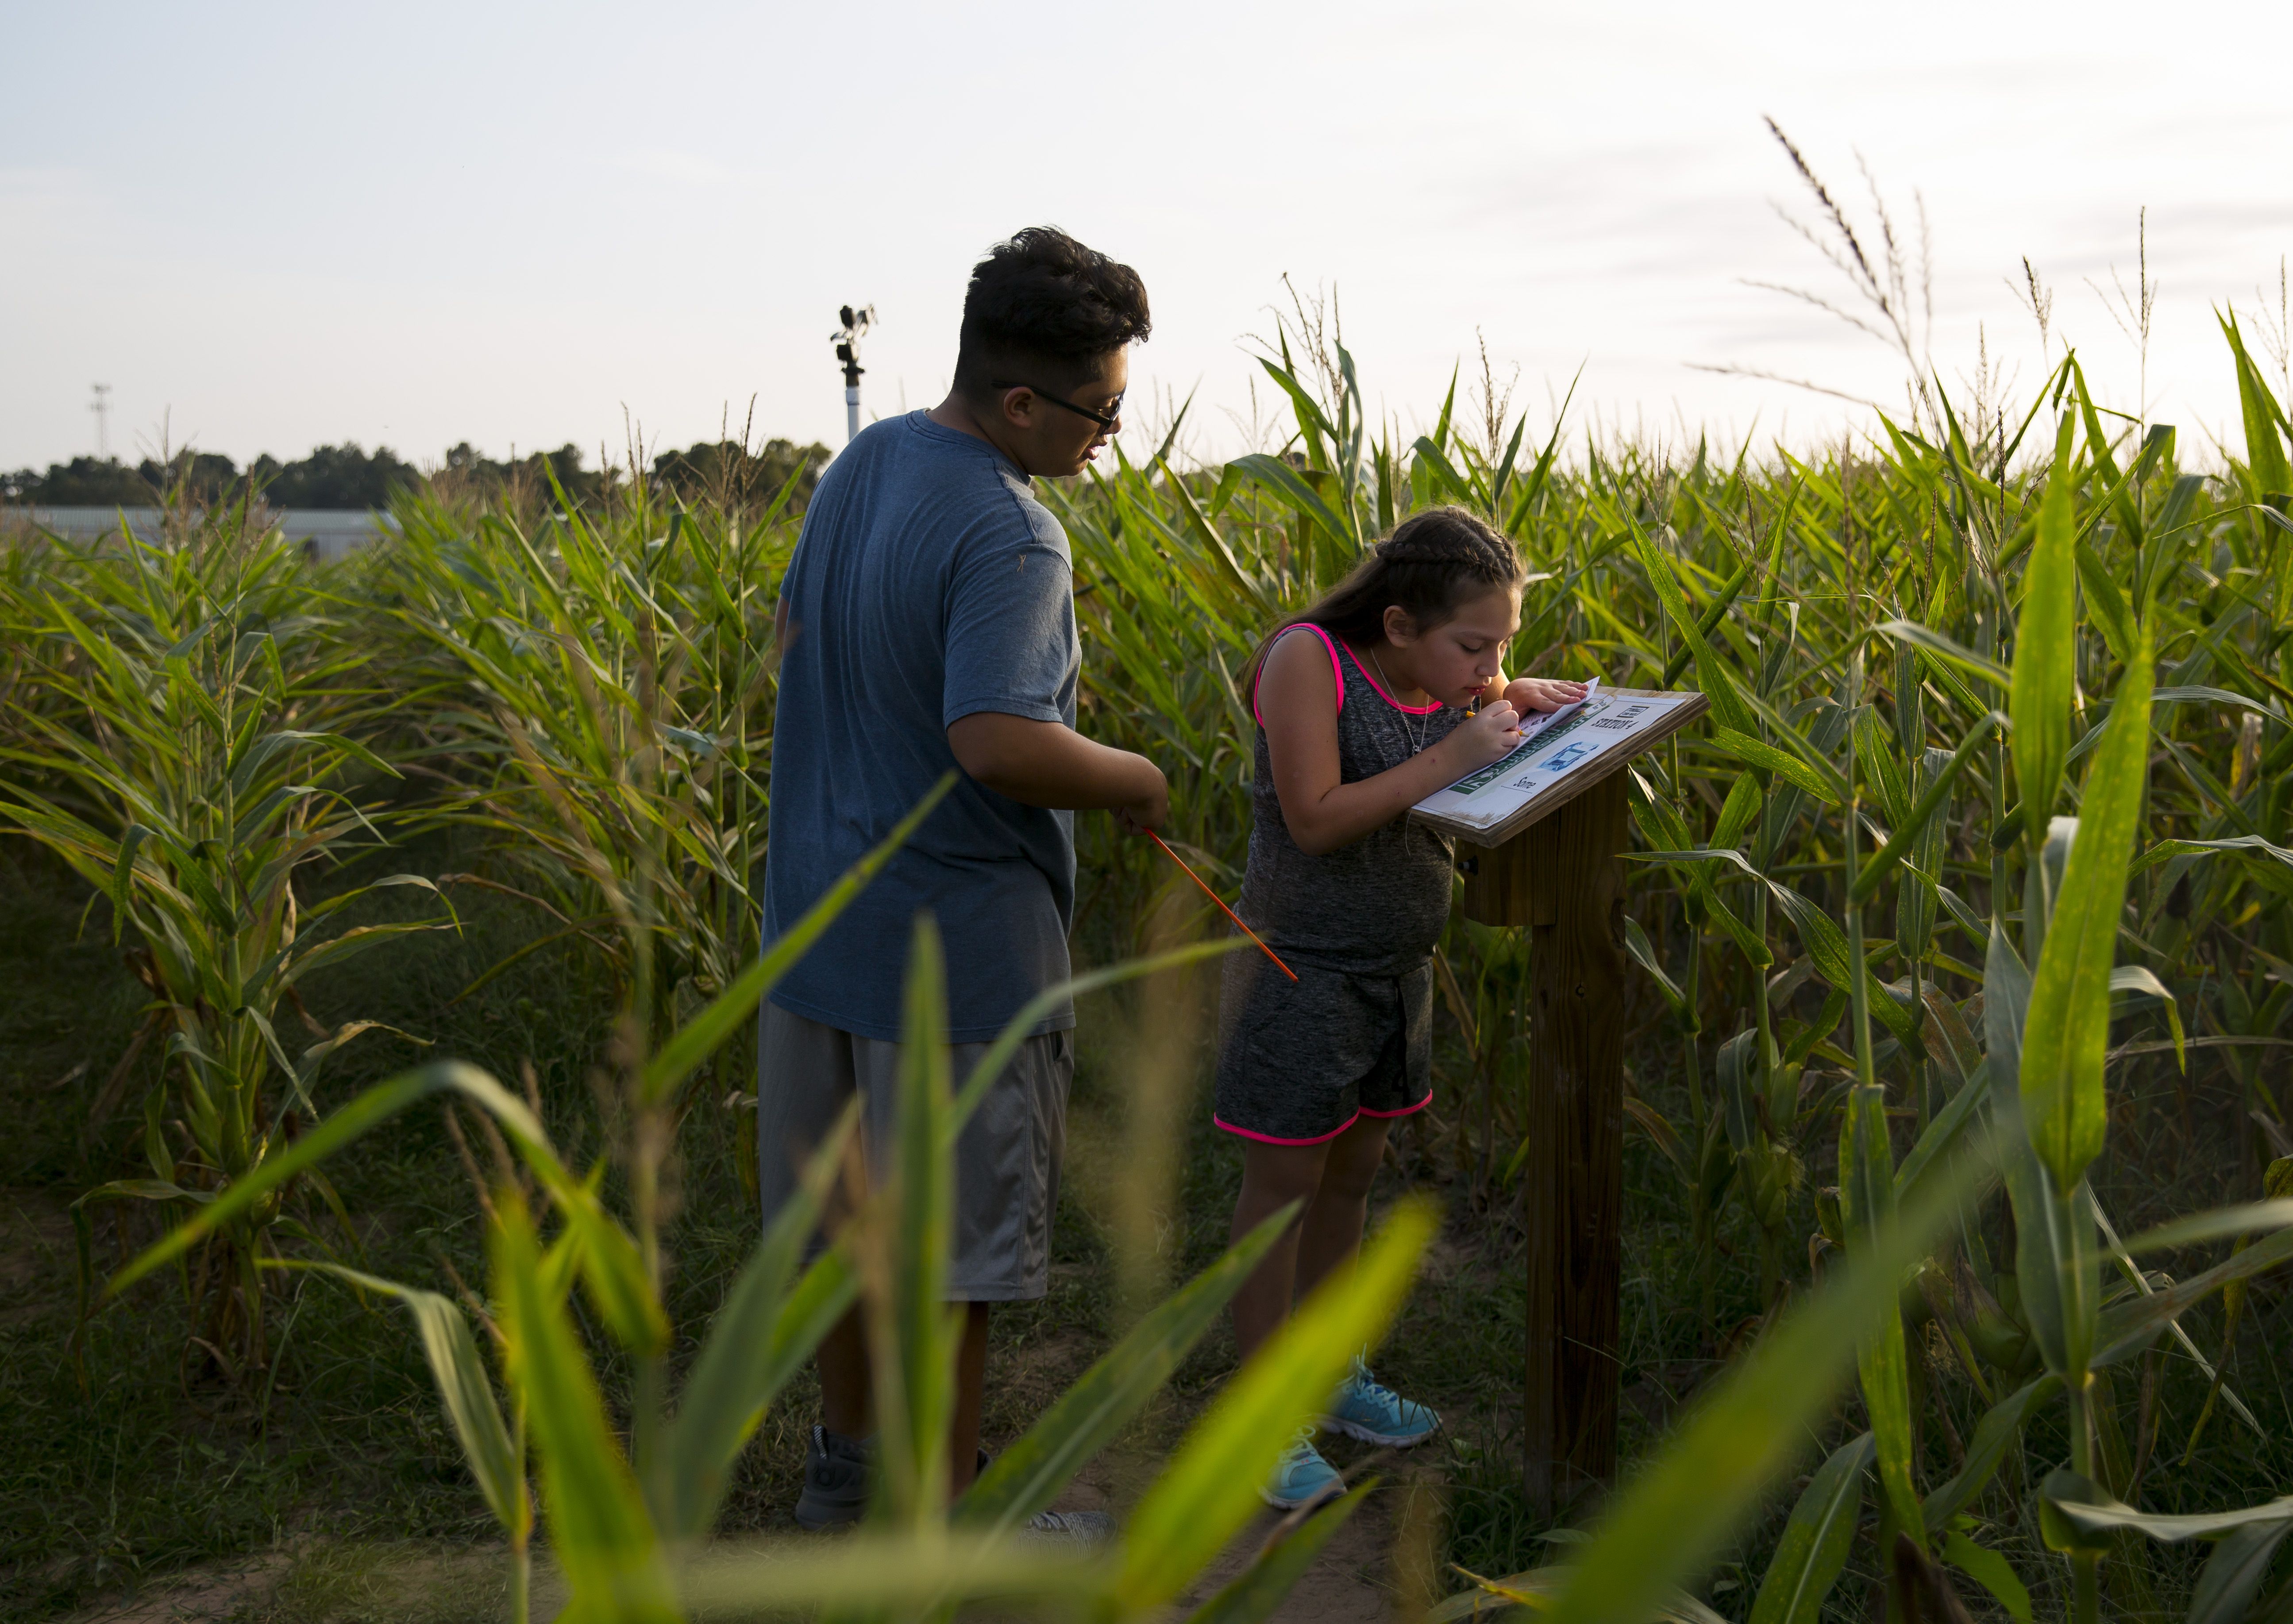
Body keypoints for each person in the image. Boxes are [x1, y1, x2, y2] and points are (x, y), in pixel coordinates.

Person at [757, 227, 1168, 1542]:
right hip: (957, 964)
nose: (1108, 433)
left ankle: (844, 1481)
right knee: (950, 1267)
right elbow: (995, 739)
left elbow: (796, 635)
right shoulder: (1013, 533)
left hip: (819, 931)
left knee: (843, 1237)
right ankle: (949, 1530)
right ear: (1017, 401)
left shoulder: (864, 462)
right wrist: (1135, 776)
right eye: (1099, 409)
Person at [1216, 506, 1587, 1509]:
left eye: (1504, 643)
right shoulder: (1308, 660)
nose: (1490, 665)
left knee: (1349, 1180)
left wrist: (1518, 691)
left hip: (1393, 969)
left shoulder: (1433, 674)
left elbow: (1464, 698)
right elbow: (1315, 816)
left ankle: (1329, 1375)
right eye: (1475, 644)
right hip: (1299, 971)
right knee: (1281, 1194)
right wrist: (1453, 755)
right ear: (1395, 625)